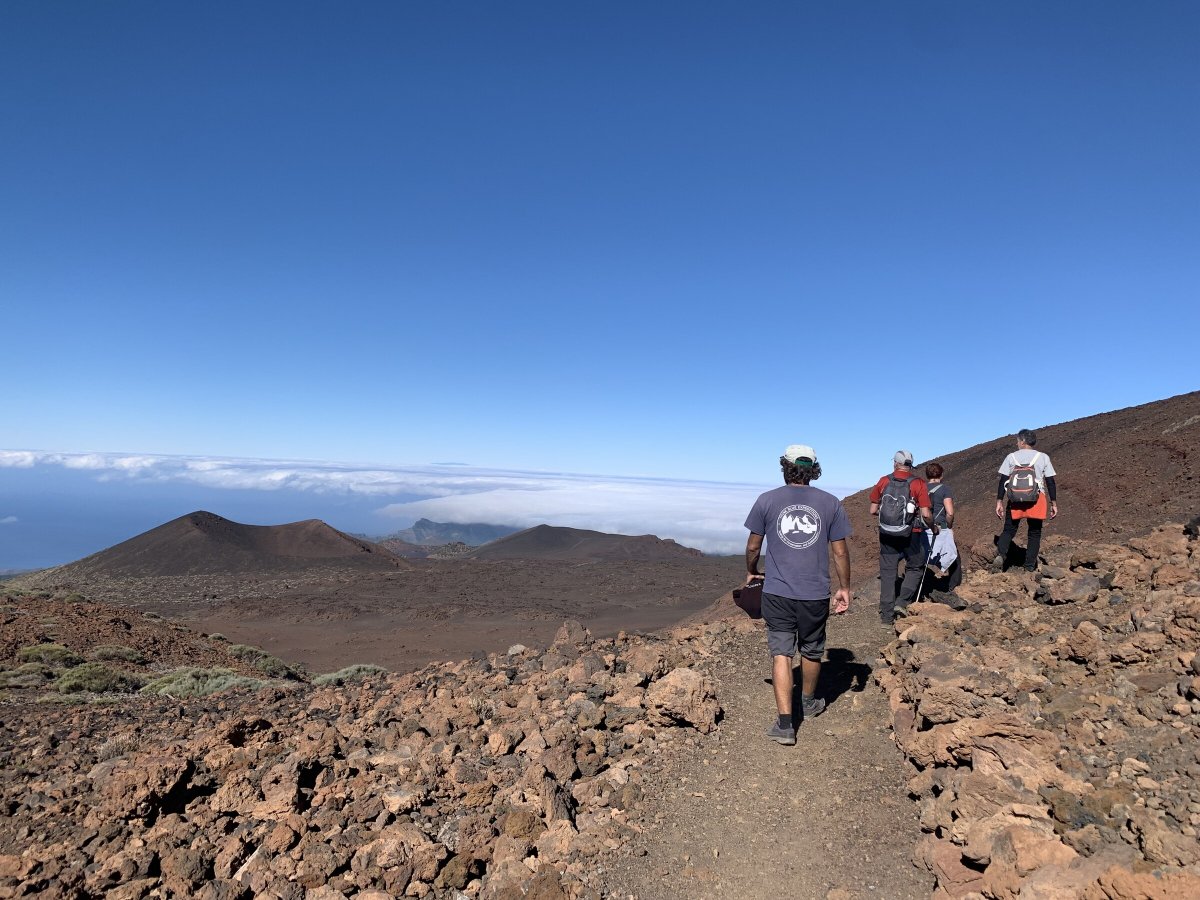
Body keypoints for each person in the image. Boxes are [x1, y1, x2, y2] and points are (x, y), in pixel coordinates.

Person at [744, 444, 852, 746]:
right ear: (813, 470)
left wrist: (752, 570)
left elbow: (753, 546)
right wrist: (844, 587)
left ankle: (785, 725)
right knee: (812, 650)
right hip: (815, 593)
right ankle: (808, 701)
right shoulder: (830, 503)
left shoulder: (767, 500)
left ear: (785, 467)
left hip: (777, 592)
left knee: (782, 653)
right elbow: (840, 552)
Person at [869, 450, 937, 624]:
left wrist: (890, 517)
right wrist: (933, 527)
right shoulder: (918, 483)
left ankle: (886, 617)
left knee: (888, 573)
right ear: (910, 465)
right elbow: (926, 514)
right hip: (911, 534)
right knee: (915, 567)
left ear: (895, 463)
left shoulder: (884, 481)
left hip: (887, 534)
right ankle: (902, 602)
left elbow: (873, 510)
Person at [994, 429, 1058, 571]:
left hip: (1015, 499)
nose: (1017, 444)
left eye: (1017, 441)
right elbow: (1050, 482)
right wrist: (1053, 503)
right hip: (1037, 499)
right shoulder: (1043, 457)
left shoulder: (1011, 457)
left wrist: (999, 501)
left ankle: (1001, 555)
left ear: (1023, 442)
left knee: (1009, 530)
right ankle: (1029, 566)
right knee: (1034, 532)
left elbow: (1003, 480)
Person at [923, 462, 959, 581]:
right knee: (951, 555)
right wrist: (949, 526)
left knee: (924, 555)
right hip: (941, 525)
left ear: (927, 475)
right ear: (941, 475)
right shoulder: (945, 489)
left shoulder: (921, 488)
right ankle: (952, 583)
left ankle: (925, 580)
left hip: (923, 526)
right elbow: (950, 513)